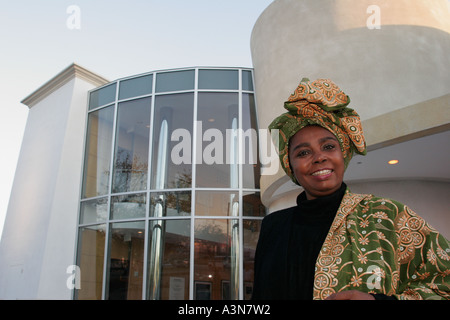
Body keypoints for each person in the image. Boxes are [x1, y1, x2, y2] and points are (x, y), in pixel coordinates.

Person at [252, 78, 450, 300]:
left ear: (343, 154)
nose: (319, 158)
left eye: (328, 147)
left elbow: (444, 285)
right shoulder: (274, 227)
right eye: (303, 153)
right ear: (290, 166)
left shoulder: (388, 216)